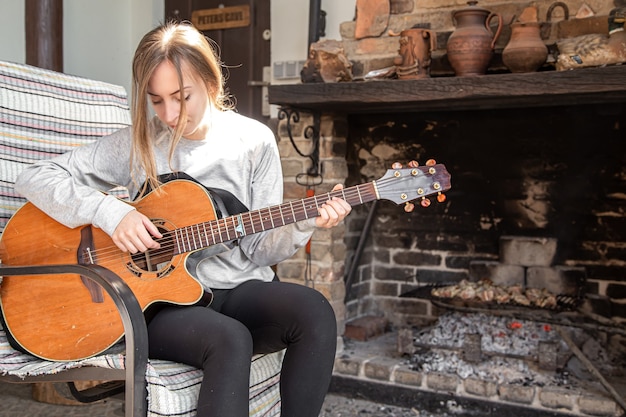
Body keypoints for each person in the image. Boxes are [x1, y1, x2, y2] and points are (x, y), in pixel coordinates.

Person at [15, 21, 351, 417]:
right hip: (161, 304)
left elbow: (259, 250)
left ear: (210, 81)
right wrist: (111, 212)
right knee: (229, 340)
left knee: (315, 312)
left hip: (237, 290)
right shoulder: (139, 143)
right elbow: (34, 176)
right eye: (156, 100)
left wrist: (306, 221)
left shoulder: (255, 141)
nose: (169, 114)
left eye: (181, 97)